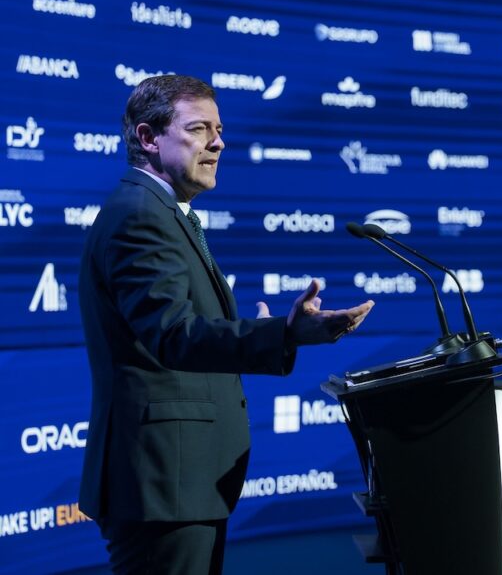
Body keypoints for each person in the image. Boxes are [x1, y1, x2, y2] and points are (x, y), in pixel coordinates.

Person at [78, 74, 375, 574]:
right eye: (199, 129)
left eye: (219, 128)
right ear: (149, 138)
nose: (219, 142)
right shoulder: (140, 215)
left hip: (178, 483)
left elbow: (178, 327)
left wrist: (246, 329)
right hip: (162, 484)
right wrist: (280, 333)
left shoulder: (162, 212)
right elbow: (173, 335)